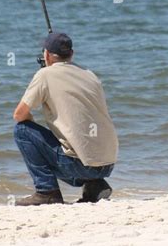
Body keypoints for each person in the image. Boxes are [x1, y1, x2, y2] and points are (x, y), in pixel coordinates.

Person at [13, 32, 118, 206]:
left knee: (22, 130)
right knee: (79, 137)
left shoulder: (45, 75)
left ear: (46, 55)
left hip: (81, 166)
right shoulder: (90, 74)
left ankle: (46, 191)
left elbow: (19, 115)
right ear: (72, 54)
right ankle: (95, 185)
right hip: (107, 164)